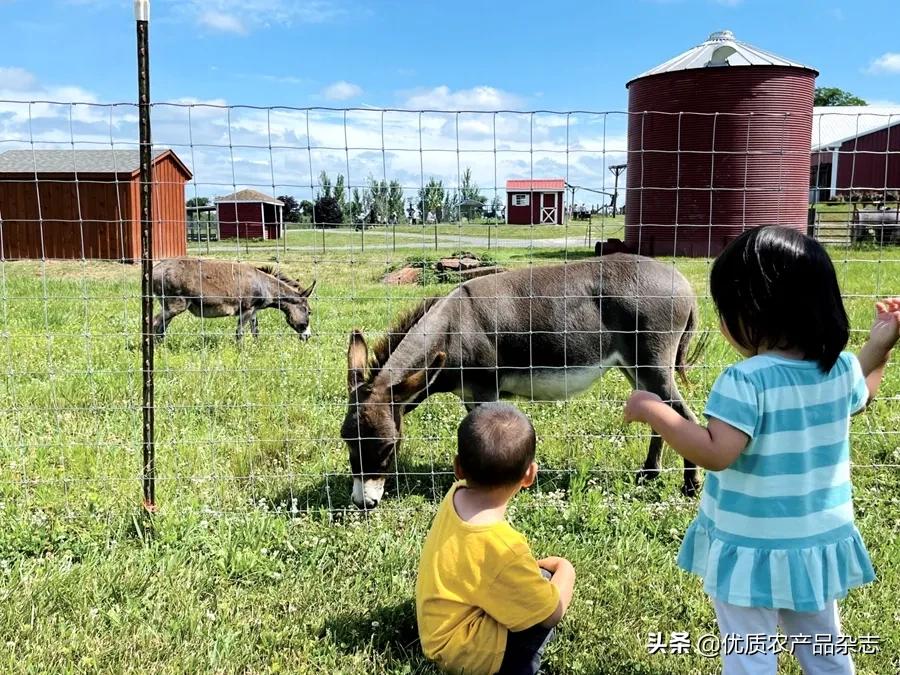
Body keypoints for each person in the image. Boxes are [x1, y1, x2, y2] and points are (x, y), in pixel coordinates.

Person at [623, 225, 900, 675]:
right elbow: (862, 393)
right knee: (823, 643)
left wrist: (656, 411)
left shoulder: (746, 381)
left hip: (753, 547)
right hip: (813, 545)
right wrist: (880, 350)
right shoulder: (838, 370)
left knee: (748, 652)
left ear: (751, 312)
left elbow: (716, 452)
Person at [416, 403, 576, 674]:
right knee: (545, 590)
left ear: (458, 468)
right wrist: (565, 568)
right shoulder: (503, 547)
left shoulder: (455, 495)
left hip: (436, 631)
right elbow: (551, 613)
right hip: (466, 655)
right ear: (530, 475)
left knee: (532, 581)